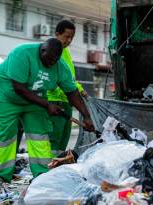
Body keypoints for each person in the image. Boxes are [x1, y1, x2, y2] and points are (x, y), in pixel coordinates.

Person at [0, 38, 94, 192]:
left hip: (34, 100)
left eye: (55, 60)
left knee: (39, 135)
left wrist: (86, 115)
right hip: (5, 96)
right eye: (49, 59)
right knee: (5, 136)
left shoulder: (60, 67)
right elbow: (19, 88)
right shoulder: (22, 54)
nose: (51, 63)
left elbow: (72, 93)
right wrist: (47, 105)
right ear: (42, 50)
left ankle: (43, 175)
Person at [47, 20, 87, 156]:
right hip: (55, 101)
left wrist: (80, 89)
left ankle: (57, 165)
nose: (69, 41)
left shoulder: (66, 52)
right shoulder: (51, 50)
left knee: (63, 140)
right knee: (54, 140)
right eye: (66, 37)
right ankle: (48, 169)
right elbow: (54, 77)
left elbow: (69, 78)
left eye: (72, 38)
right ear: (57, 34)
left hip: (67, 102)